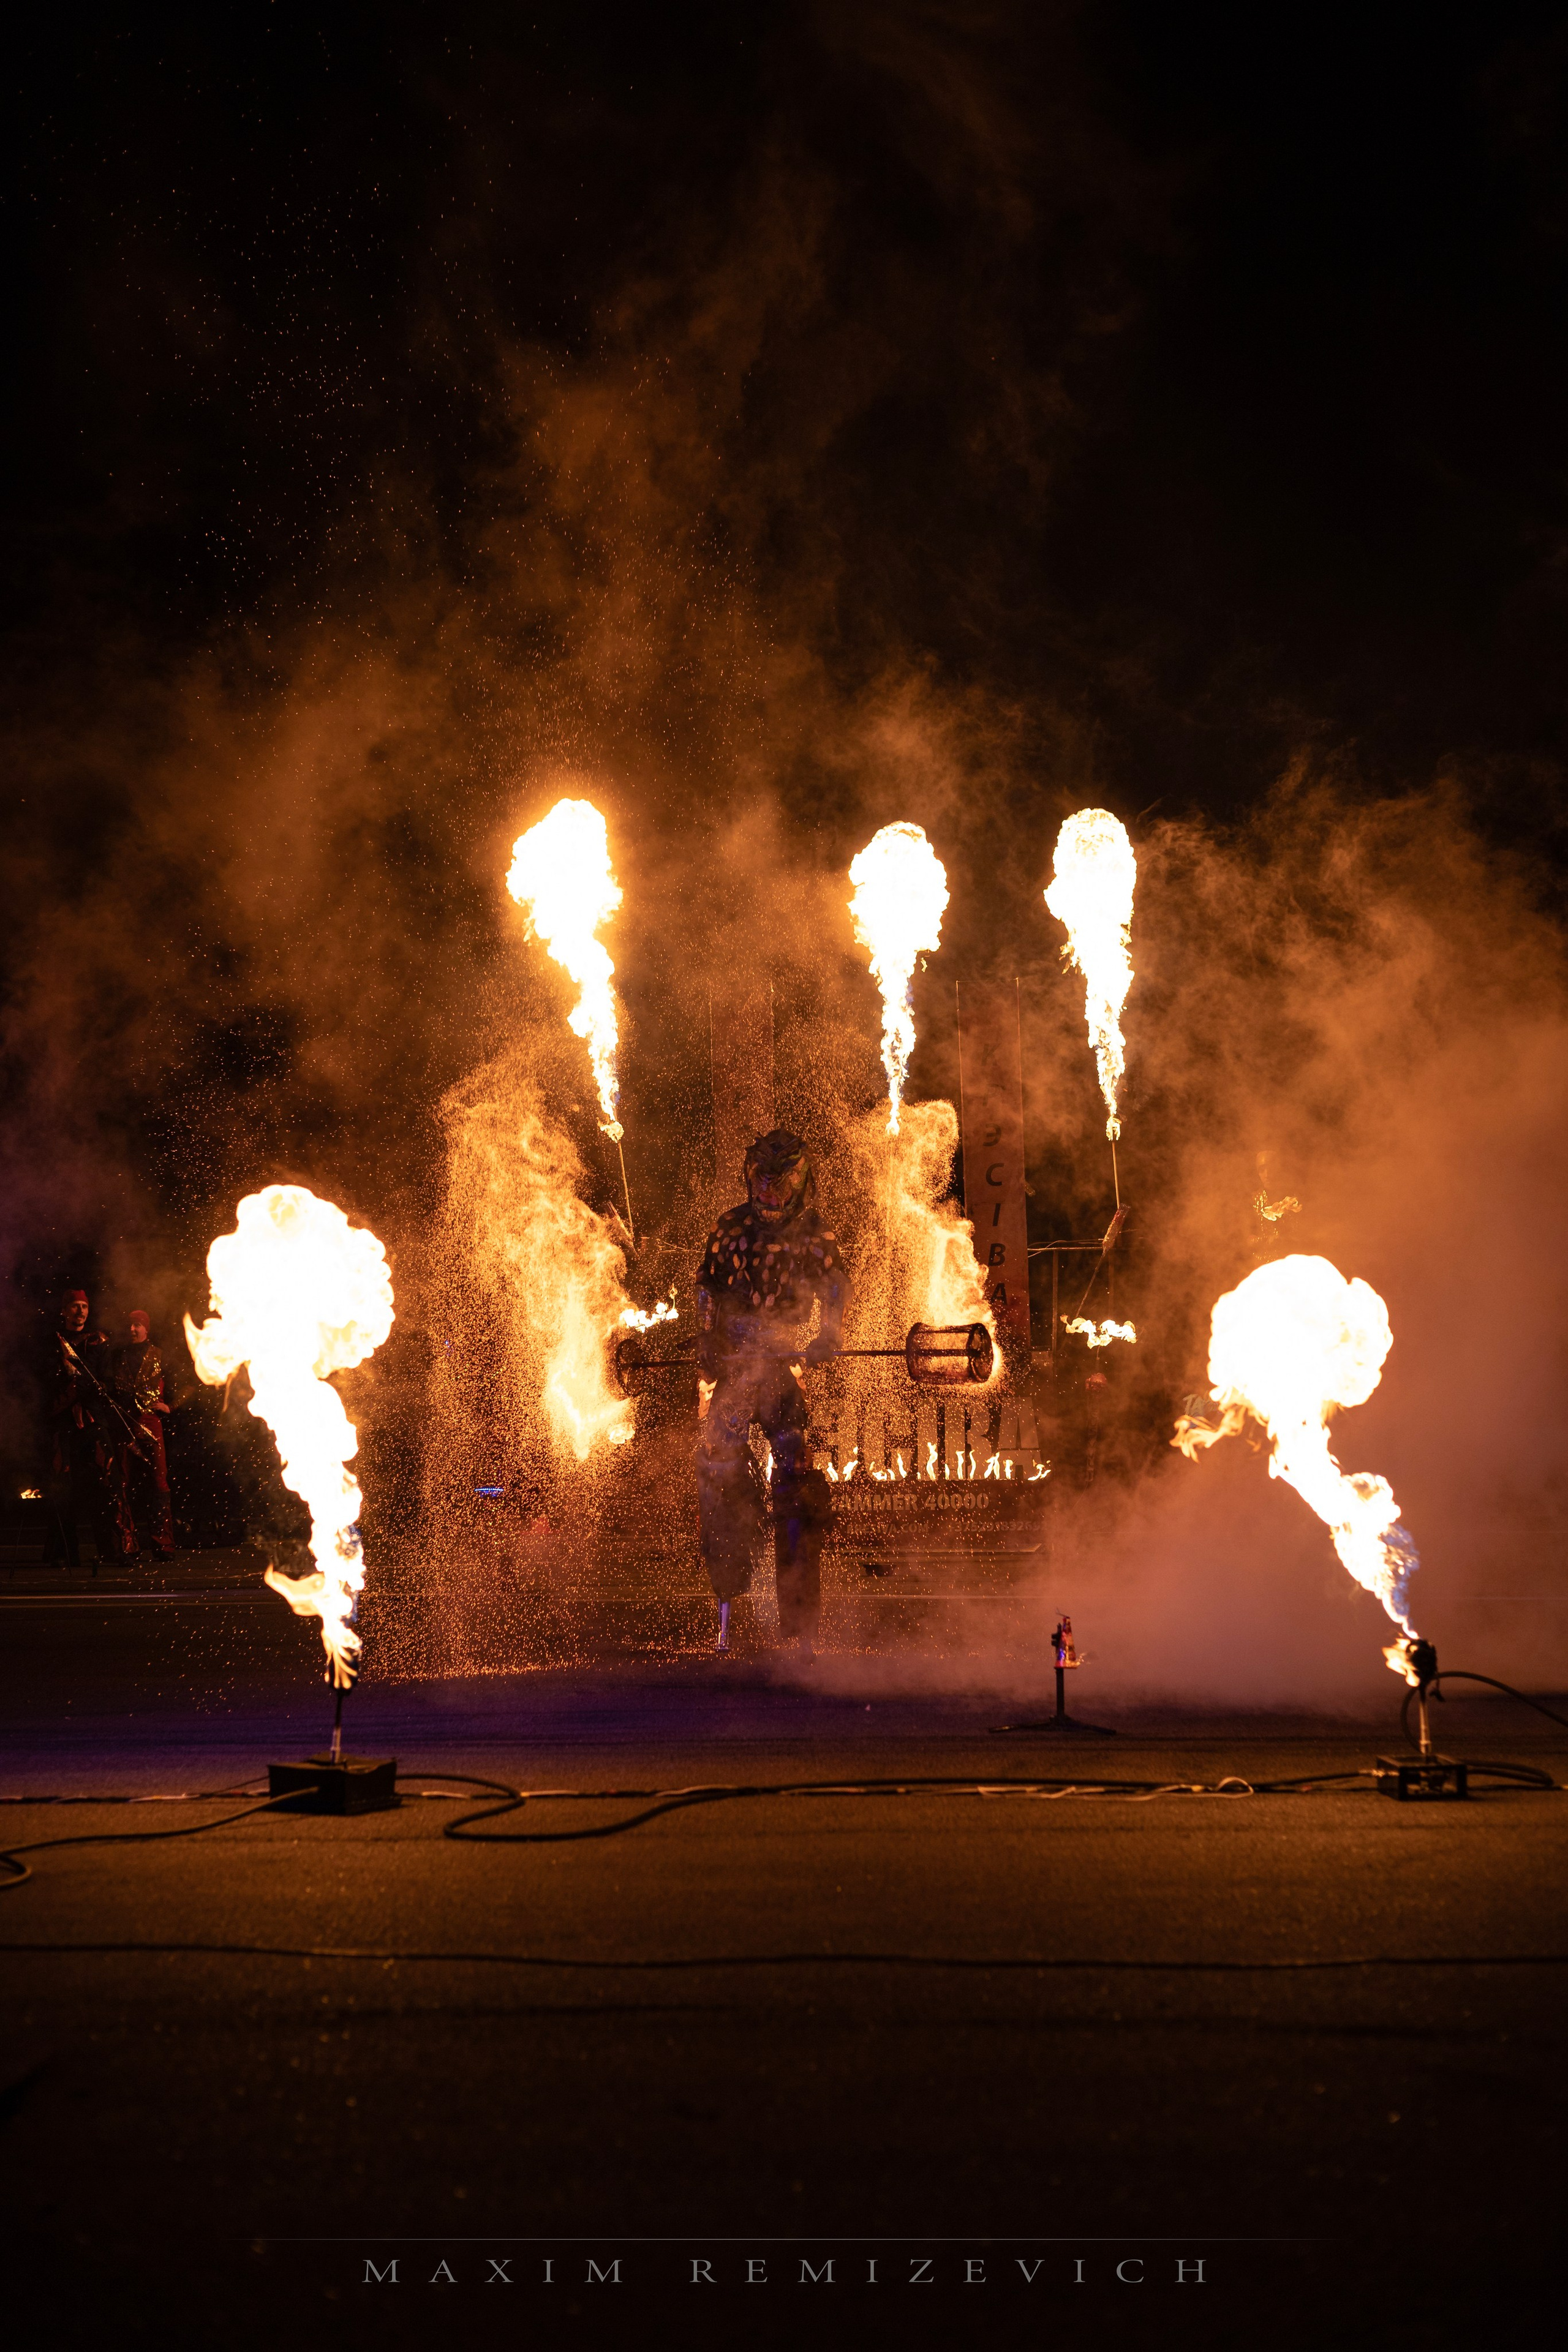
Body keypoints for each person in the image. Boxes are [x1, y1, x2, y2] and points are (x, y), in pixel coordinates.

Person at [694, 1129, 848, 1654]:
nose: (770, 1193)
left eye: (780, 1182)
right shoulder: (730, 1226)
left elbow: (835, 1286)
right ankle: (727, 1607)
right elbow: (708, 1286)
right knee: (717, 1470)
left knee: (796, 1488)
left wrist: (829, 1335)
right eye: (762, 1180)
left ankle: (801, 1625)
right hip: (737, 1370)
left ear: (799, 1181)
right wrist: (708, 1338)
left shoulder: (814, 1232)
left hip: (780, 1368)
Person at [40, 1287, 135, 1570]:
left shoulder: (99, 1341)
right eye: (74, 1306)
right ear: (64, 1310)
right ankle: (64, 1552)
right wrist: (71, 1385)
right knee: (61, 1487)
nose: (80, 1311)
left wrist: (86, 1386)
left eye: (84, 1306)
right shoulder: (52, 1342)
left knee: (109, 1483)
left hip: (93, 1421)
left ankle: (119, 1549)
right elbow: (48, 1380)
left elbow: (105, 1381)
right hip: (63, 1423)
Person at [113, 1309, 176, 1558]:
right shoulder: (117, 1356)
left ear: (146, 1329)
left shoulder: (160, 1356)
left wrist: (171, 1406)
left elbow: (188, 1385)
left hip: (151, 1422)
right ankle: (127, 1544)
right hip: (123, 1423)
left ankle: (163, 1544)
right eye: (130, 1325)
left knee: (159, 1483)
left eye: (137, 1325)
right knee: (122, 1482)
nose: (133, 1329)